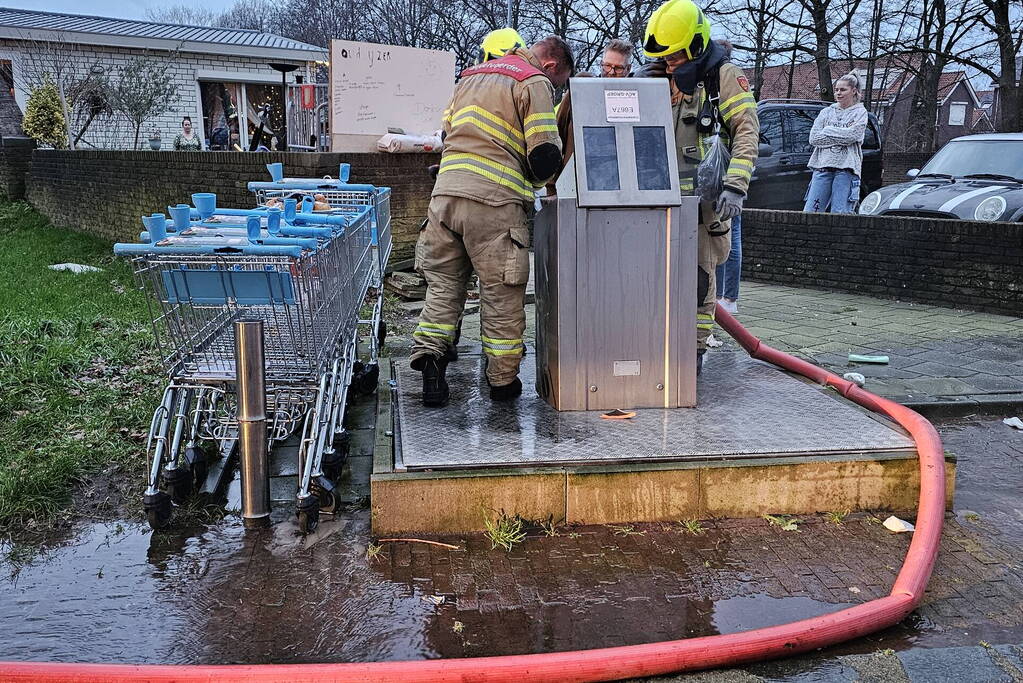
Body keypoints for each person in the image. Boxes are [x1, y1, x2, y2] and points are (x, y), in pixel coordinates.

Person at [411, 36, 572, 407]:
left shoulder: (468, 77)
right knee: (501, 292)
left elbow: (446, 137)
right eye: (559, 80)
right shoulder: (533, 82)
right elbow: (545, 155)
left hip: (444, 199)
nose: (556, 86)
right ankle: (501, 381)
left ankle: (432, 360)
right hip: (494, 204)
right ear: (550, 66)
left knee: (443, 287)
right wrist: (535, 185)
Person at [638, 0, 759, 375]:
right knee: (649, 280)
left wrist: (736, 185)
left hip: (703, 210)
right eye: (665, 58)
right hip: (654, 203)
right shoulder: (653, 78)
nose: (670, 64)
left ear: (695, 44)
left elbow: (746, 130)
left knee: (698, 283)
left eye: (675, 57)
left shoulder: (723, 77)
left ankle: (693, 358)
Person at [804, 73, 868, 214]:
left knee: (840, 213)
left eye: (843, 89)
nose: (838, 93)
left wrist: (828, 130)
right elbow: (814, 139)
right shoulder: (826, 112)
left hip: (846, 168)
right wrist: (842, 135)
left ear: (854, 90)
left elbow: (852, 136)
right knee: (811, 211)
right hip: (822, 167)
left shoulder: (860, 113)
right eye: (837, 89)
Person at [715, 213, 740, 314]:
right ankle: (730, 300)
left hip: (718, 199)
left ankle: (718, 297)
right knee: (734, 237)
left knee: (718, 238)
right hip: (735, 199)